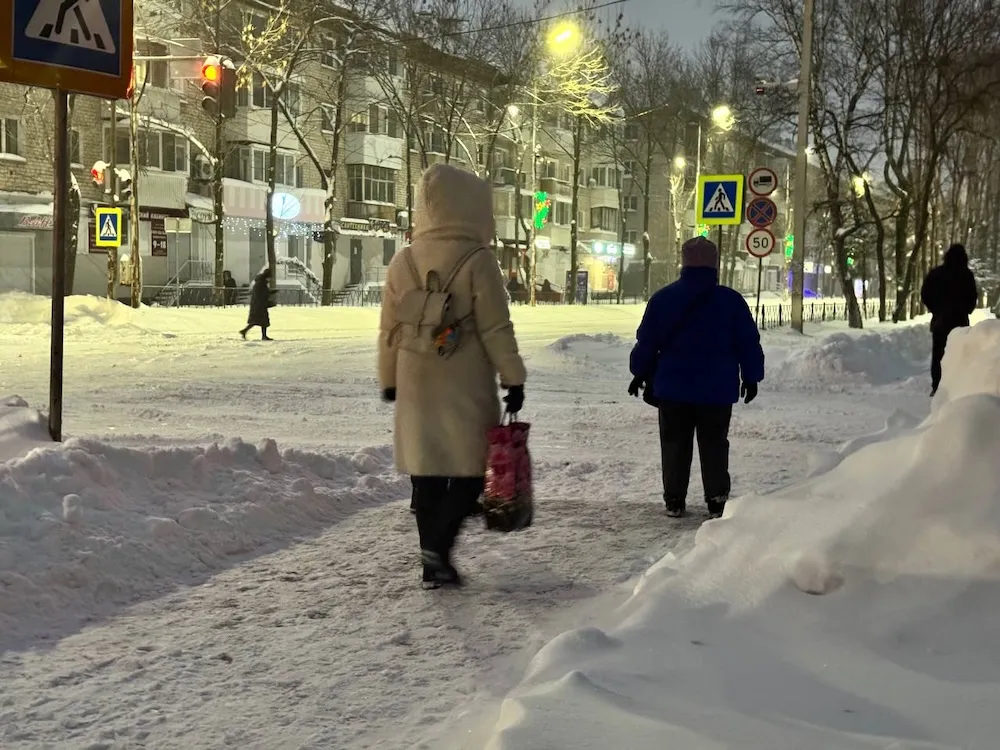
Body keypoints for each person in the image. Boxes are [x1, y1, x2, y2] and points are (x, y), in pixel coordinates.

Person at [378, 162, 526, 589]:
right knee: (469, 471)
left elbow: (389, 330)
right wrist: (512, 378)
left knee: (426, 474)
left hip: (415, 382)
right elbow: (498, 327)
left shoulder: (402, 261)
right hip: (465, 383)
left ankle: (432, 564)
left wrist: (389, 379)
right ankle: (437, 550)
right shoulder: (479, 261)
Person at [628, 236, 765, 520]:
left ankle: (675, 499)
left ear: (684, 262)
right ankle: (716, 498)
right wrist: (751, 377)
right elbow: (748, 343)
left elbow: (647, 341)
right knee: (714, 443)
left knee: (674, 443)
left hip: (673, 388)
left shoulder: (664, 298)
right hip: (717, 390)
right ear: (715, 265)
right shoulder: (731, 301)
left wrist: (639, 372)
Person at [920, 243, 978, 396]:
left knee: (939, 354)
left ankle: (937, 386)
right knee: (959, 354)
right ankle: (955, 384)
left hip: (940, 321)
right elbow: (972, 298)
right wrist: (965, 309)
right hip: (960, 322)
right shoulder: (966, 275)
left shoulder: (936, 274)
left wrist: (936, 309)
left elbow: (925, 294)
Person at [240, 267, 277, 341]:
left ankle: (246, 331)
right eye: (270, 278)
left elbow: (263, 292)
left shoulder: (260, 282)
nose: (270, 280)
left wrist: (272, 292)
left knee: (260, 321)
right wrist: (269, 301)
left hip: (258, 305)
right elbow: (262, 294)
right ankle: (246, 331)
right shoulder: (261, 283)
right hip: (259, 306)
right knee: (259, 321)